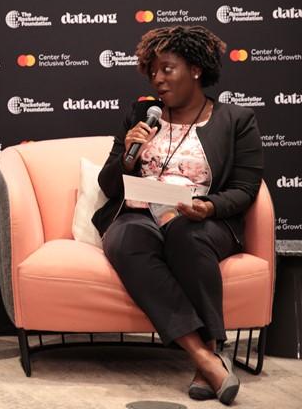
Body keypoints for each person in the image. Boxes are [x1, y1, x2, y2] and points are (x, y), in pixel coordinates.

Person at [95, 26, 263, 406]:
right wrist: (129, 152)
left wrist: (209, 207)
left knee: (187, 235)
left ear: (196, 70)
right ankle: (204, 358)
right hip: (139, 213)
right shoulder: (142, 114)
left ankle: (209, 350)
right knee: (124, 239)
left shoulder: (235, 120)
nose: (158, 78)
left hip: (200, 217)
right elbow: (108, 184)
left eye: (168, 69)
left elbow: (246, 187)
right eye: (152, 70)